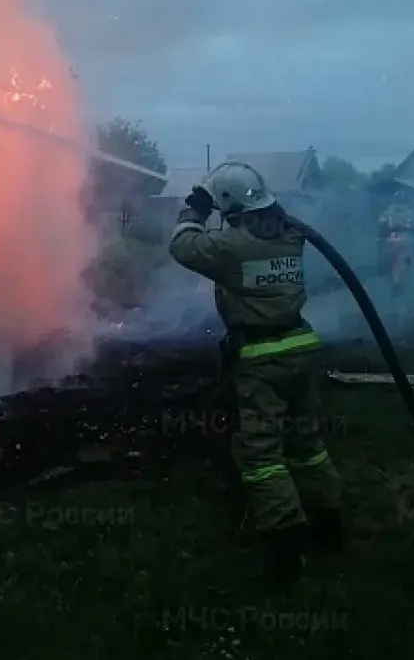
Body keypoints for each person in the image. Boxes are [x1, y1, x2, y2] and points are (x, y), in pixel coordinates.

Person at [169, 161, 344, 579]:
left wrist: (195, 210)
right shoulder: (291, 234)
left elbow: (182, 246)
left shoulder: (231, 247)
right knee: (307, 443)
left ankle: (286, 543)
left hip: (261, 358)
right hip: (300, 346)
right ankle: (330, 522)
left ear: (229, 205)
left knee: (262, 455)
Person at [377, 190, 414, 292]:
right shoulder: (410, 212)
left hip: (391, 239)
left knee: (394, 261)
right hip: (405, 238)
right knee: (402, 261)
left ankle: (395, 280)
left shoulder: (388, 211)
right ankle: (398, 283)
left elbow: (381, 222)